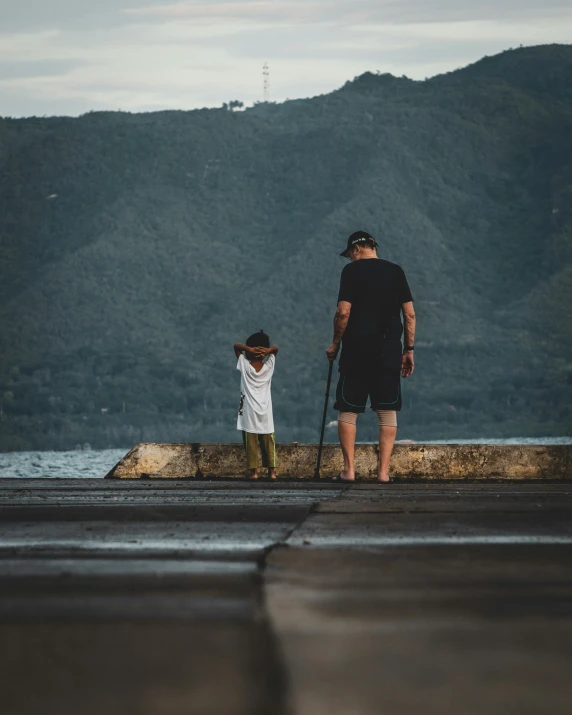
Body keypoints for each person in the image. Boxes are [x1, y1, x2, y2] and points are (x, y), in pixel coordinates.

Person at [326, 230, 416, 483]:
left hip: (356, 350)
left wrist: (335, 344)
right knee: (387, 411)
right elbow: (409, 315)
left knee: (348, 410)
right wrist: (408, 350)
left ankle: (349, 471)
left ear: (355, 250)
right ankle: (383, 473)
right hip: (389, 350)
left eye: (349, 255)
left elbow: (343, 312)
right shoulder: (395, 271)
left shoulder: (351, 272)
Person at [234, 330, 279, 480]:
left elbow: (236, 346)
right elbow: (276, 349)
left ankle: (254, 472)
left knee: (251, 444)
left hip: (249, 413)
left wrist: (249, 350)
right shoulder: (268, 367)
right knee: (268, 442)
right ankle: (272, 472)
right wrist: (267, 351)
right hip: (265, 412)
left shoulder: (245, 366)